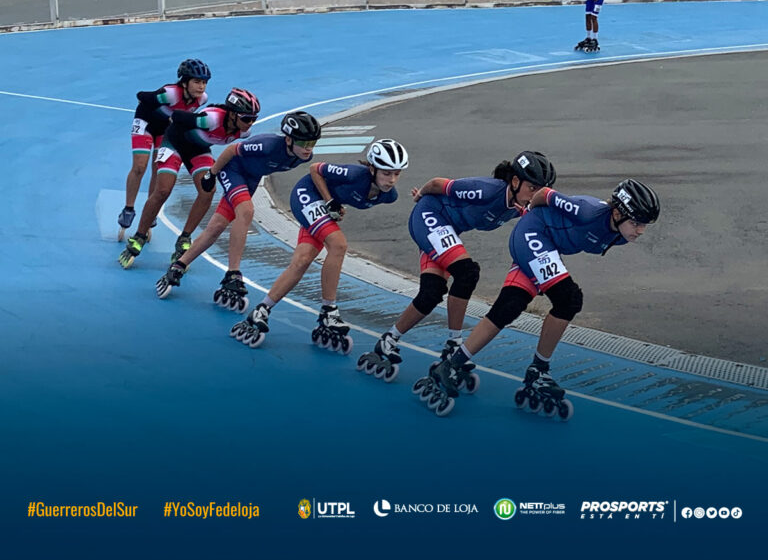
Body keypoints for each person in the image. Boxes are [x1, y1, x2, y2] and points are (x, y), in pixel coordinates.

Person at [419, 178, 660, 417]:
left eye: (645, 225)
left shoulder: (620, 232)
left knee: (509, 306)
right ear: (617, 213)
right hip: (534, 235)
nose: (641, 231)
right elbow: (545, 194)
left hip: (548, 245)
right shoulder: (587, 212)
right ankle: (539, 370)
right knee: (569, 299)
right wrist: (529, 211)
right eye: (637, 223)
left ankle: (451, 365)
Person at [356, 152, 557, 384]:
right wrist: (420, 194)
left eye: (541, 190)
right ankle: (454, 343)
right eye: (532, 188)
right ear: (514, 182)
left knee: (431, 293)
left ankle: (388, 340)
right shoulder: (486, 190)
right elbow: (437, 184)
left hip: (447, 231)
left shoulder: (520, 206)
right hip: (429, 216)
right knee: (467, 272)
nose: (536, 195)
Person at [230, 139, 409, 352]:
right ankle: (329, 311)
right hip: (306, 194)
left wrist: (334, 204)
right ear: (371, 168)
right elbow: (316, 169)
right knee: (339, 245)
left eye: (396, 173)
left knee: (302, 261)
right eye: (386, 173)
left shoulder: (389, 196)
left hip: (321, 208)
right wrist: (330, 201)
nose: (392, 180)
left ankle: (261, 309)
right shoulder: (354, 174)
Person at [155, 111, 322, 309]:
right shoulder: (267, 145)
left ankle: (179, 265)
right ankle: (233, 272)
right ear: (287, 139)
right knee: (246, 211)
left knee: (216, 227)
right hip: (233, 170)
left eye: (312, 143)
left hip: (251, 178)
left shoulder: (303, 156)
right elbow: (232, 150)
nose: (308, 149)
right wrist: (211, 174)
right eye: (304, 143)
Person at [118, 88, 259, 269]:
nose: (251, 123)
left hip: (198, 150)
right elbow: (176, 116)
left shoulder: (243, 132)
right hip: (175, 143)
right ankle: (139, 236)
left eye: (254, 118)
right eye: (247, 118)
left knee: (207, 191)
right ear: (232, 114)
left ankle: (184, 237)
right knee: (163, 191)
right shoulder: (210, 119)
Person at [118, 59, 211, 241]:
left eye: (204, 82)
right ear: (184, 82)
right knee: (139, 166)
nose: (201, 87)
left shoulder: (202, 99)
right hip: (145, 123)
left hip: (165, 131)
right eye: (197, 82)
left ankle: (149, 210)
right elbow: (142, 96)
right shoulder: (170, 94)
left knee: (157, 170)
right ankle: (128, 208)